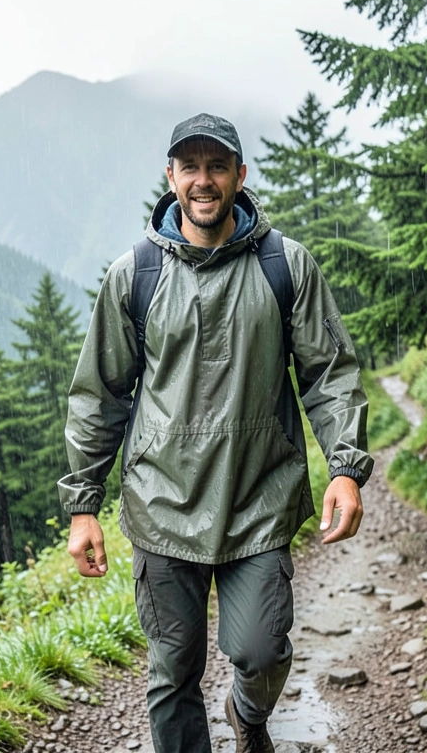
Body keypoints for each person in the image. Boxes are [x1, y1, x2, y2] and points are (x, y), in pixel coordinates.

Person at [58, 112, 373, 753]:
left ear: (239, 175)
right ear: (171, 176)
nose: (204, 180)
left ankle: (248, 715)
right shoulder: (134, 276)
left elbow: (330, 374)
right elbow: (100, 395)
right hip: (162, 505)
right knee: (173, 673)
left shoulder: (285, 266)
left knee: (261, 652)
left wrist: (345, 467)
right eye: (191, 167)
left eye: (217, 166)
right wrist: (83, 506)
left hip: (258, 499)